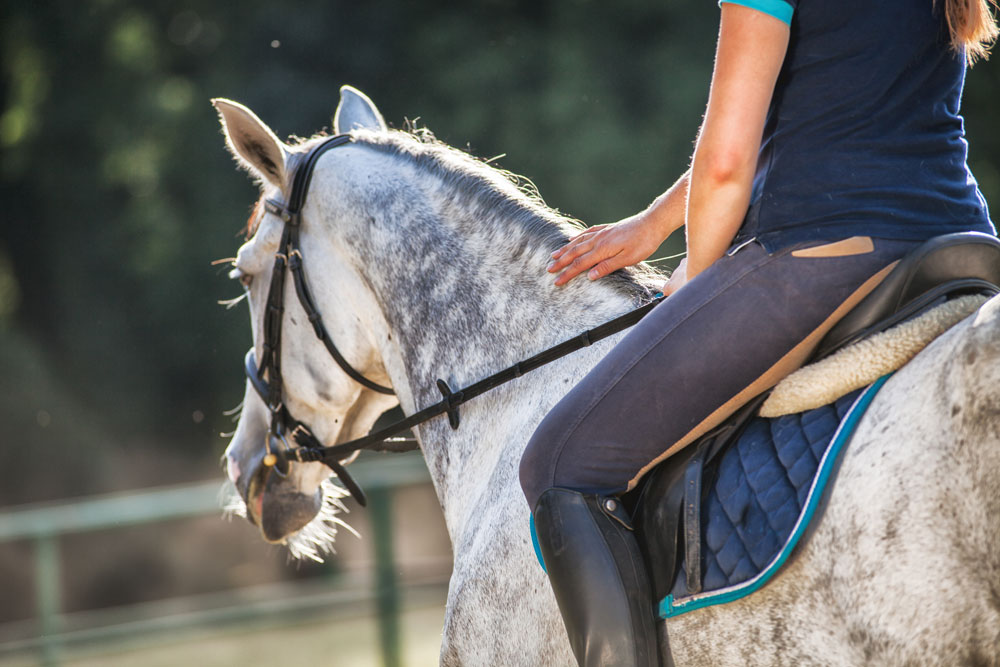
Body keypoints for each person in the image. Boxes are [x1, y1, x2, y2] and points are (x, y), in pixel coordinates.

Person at [519, 0, 998, 665]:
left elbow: (726, 163)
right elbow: (825, 100)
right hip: (958, 236)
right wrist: (659, 222)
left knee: (559, 464)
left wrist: (692, 287)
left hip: (825, 244)